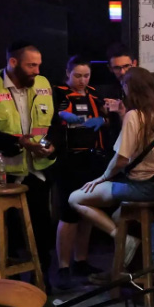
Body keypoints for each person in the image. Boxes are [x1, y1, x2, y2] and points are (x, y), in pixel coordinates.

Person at [69, 67, 154, 283]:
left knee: (75, 198)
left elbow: (122, 159)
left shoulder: (134, 115)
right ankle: (140, 267)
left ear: (129, 88)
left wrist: (102, 178)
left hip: (144, 187)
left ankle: (127, 246)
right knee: (118, 216)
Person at [0, 41, 57, 285]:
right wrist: (20, 142)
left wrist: (51, 145)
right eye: (31, 65)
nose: (37, 70)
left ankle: (41, 281)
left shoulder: (43, 84)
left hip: (35, 169)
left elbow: (52, 123)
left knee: (40, 229)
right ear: (13, 63)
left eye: (38, 65)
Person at [50, 55, 108, 290]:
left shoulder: (94, 94)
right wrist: (61, 116)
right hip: (68, 159)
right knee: (68, 212)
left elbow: (109, 116)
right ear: (68, 73)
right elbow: (49, 116)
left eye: (86, 75)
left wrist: (103, 119)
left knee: (87, 211)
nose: (82, 80)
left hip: (92, 158)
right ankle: (63, 266)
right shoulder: (58, 94)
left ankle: (80, 261)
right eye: (77, 75)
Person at [103, 43, 154, 122]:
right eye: (117, 68)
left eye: (126, 66)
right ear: (110, 68)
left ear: (134, 63)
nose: (123, 72)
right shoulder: (112, 92)